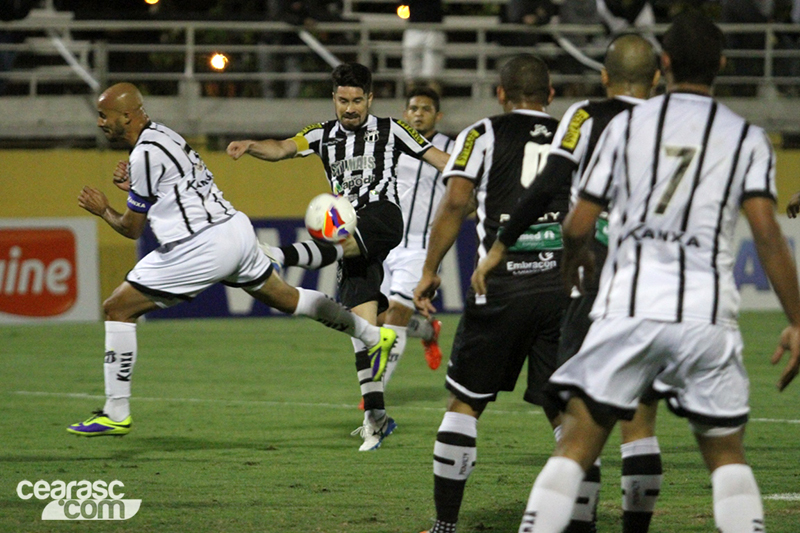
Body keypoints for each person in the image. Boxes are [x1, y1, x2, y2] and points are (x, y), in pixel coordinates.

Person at [517, 12, 800, 533]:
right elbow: (766, 235)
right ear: (721, 64)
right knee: (728, 459)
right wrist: (799, 320)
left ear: (663, 64)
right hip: (705, 316)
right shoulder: (746, 137)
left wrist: (574, 255)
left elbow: (579, 221)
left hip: (626, 308)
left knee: (576, 446)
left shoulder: (625, 126)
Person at [67, 82, 396, 438]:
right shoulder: (165, 136)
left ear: (126, 116)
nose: (100, 122)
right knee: (287, 297)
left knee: (117, 308)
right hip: (236, 230)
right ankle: (370, 334)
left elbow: (132, 228)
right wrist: (135, 188)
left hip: (201, 244)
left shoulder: (143, 154)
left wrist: (103, 210)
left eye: (105, 115)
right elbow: (175, 190)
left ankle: (116, 411)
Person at [472, 34, 662, 533]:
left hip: (597, 280)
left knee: (578, 417)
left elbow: (551, 182)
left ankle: (569, 524)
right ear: (657, 78)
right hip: (660, 287)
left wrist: (500, 245)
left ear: (603, 77)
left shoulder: (585, 117)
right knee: (640, 418)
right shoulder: (674, 122)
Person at [226, 63, 450, 451]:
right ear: (334, 99)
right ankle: (376, 419)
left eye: (358, 100)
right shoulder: (321, 135)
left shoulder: (392, 129)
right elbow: (281, 149)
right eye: (343, 100)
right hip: (348, 230)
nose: (350, 108)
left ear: (370, 99)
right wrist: (250, 146)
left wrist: (478, 172)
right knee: (362, 332)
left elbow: (438, 158)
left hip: (382, 217)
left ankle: (279, 255)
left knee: (339, 237)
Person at [413, 54, 569, 533]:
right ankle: (578, 519)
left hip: (499, 287)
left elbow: (457, 202)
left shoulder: (481, 134)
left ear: (500, 94)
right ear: (550, 94)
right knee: (567, 415)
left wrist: (428, 270)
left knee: (464, 404)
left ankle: (444, 526)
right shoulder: (574, 134)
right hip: (560, 290)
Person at [379, 86, 454, 390]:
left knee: (396, 312)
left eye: (425, 109)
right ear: (405, 113)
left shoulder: (451, 148)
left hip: (422, 245)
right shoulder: (390, 145)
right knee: (374, 317)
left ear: (438, 115)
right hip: (387, 242)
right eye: (413, 108)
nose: (418, 113)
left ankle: (375, 387)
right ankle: (425, 331)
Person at [402, 0, 446, 93]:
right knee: (411, 74)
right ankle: (412, 104)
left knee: (433, 75)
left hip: (433, 26)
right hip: (415, 25)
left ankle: (433, 104)